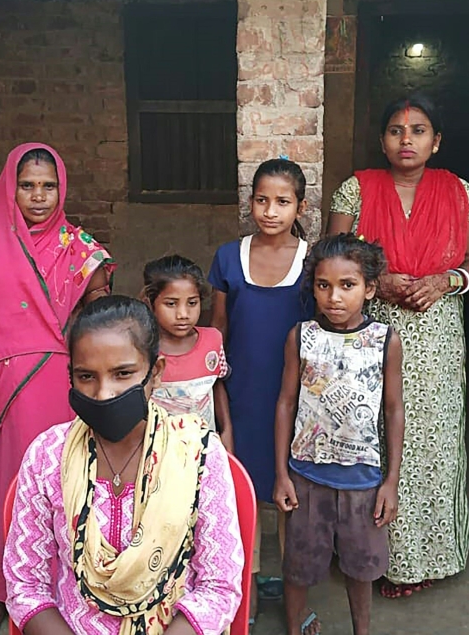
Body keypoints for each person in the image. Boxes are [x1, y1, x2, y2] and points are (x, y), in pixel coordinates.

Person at [0, 143, 115, 633]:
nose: (38, 196)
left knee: (67, 487)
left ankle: (67, 585)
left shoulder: (78, 248)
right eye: (27, 186)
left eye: (48, 186)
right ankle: (0, 590)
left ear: (62, 188)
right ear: (10, 187)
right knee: (7, 488)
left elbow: (99, 321)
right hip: (3, 393)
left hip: (66, 391)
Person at [3, 296, 244, 635]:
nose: (103, 393)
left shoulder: (198, 453)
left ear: (155, 372)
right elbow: (25, 585)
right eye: (86, 376)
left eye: (123, 374)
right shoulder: (47, 455)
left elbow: (218, 588)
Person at [328, 93, 469, 598]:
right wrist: (380, 278)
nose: (407, 139)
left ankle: (430, 555)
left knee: (431, 446)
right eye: (396, 130)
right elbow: (333, 260)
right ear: (382, 140)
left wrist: (445, 281)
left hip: (437, 339)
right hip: (371, 335)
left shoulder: (460, 191)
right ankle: (371, 557)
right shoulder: (356, 190)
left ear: (435, 141)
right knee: (369, 440)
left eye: (419, 130)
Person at [273, 234, 405, 635]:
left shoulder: (385, 341)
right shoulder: (302, 337)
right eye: (323, 285)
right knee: (298, 564)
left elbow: (393, 409)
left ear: (369, 289)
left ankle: (360, 630)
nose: (333, 297)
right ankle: (294, 627)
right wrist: (282, 474)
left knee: (360, 566)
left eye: (347, 286)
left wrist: (391, 481)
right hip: (306, 477)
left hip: (362, 480)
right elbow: (286, 403)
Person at [209, 158, 315, 621]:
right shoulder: (228, 256)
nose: (271, 210)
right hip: (244, 393)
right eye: (262, 200)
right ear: (250, 202)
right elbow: (217, 328)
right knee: (241, 493)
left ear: (300, 206)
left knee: (290, 493)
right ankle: (244, 598)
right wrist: (218, 393)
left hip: (296, 397)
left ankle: (292, 593)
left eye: (283, 202)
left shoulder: (312, 261)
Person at [144, 254, 234, 453]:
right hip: (159, 452)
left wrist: (226, 429)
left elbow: (217, 385)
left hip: (204, 448)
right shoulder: (144, 349)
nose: (183, 314)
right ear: (151, 303)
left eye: (192, 303)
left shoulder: (212, 340)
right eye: (171, 304)